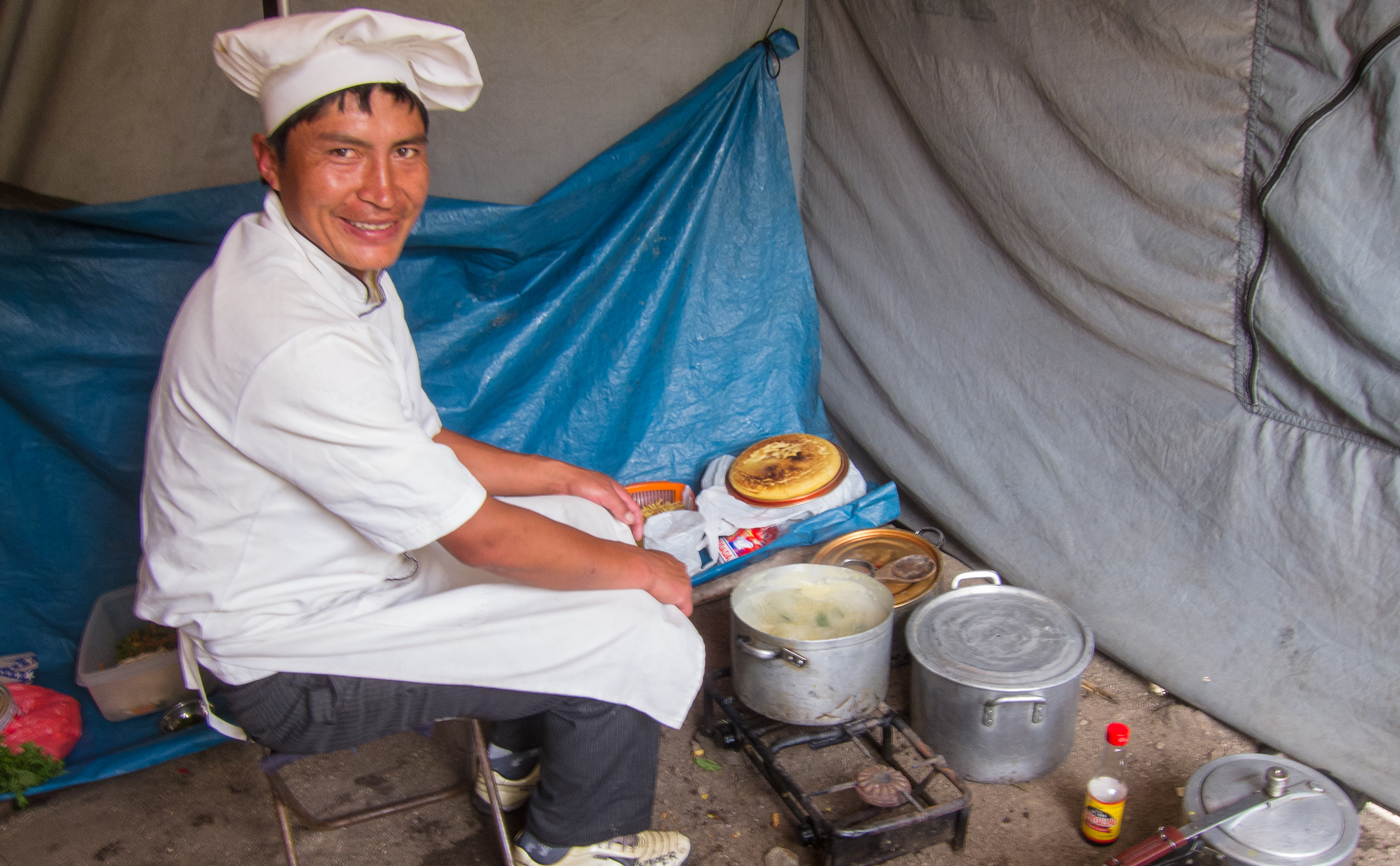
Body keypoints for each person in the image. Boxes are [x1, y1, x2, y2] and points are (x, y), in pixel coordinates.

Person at [136, 11, 703, 866]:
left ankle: (515, 765)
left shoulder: (321, 261)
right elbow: (477, 534)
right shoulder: (290, 332)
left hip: (347, 574)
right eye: (340, 151)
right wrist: (649, 574)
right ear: (269, 159)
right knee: (633, 617)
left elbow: (419, 435)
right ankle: (578, 844)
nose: (383, 189)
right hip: (286, 658)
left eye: (404, 149)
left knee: (590, 532)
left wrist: (562, 478)